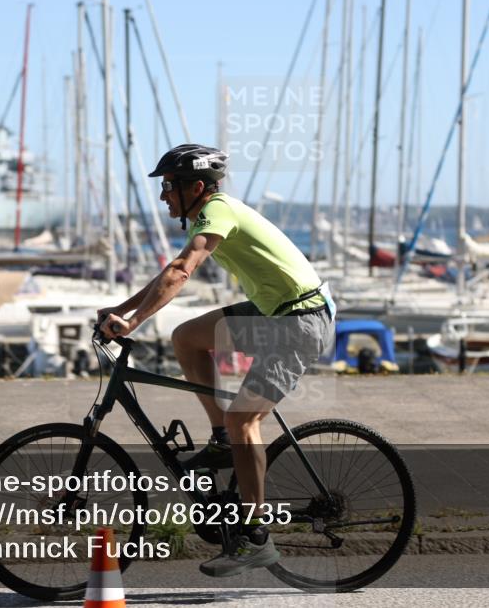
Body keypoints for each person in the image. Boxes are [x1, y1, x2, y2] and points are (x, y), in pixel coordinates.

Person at [98, 144, 335, 577]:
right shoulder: (212, 213)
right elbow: (168, 271)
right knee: (187, 338)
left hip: (300, 321)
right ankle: (221, 438)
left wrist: (131, 323)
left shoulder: (218, 211)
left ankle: (256, 538)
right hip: (276, 314)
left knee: (245, 420)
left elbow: (182, 270)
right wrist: (124, 308)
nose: (165, 195)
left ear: (198, 188)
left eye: (170, 186)